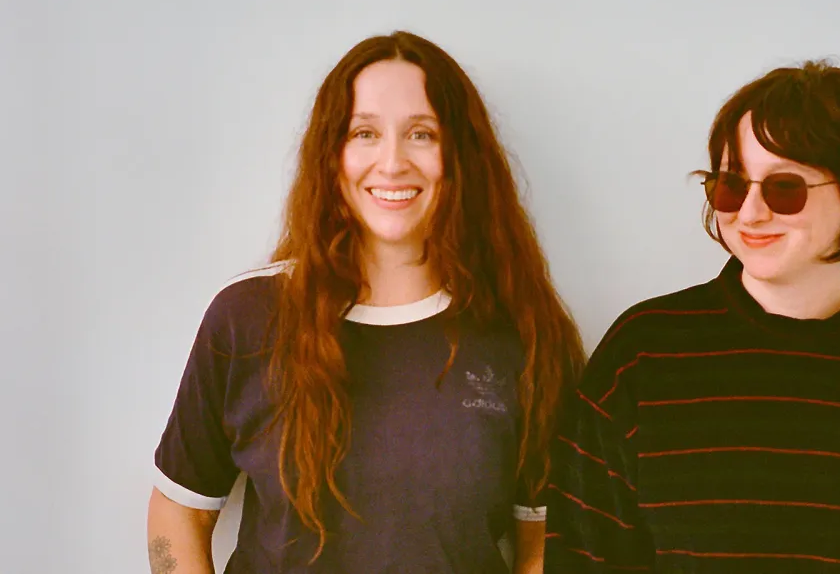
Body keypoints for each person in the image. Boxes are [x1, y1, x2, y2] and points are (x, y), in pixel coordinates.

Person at [544, 61, 840, 573]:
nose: (750, 213)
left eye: (784, 188)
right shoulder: (642, 355)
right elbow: (581, 558)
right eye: (731, 185)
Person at [147, 31, 585, 573]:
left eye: (421, 134)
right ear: (332, 156)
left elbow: (541, 540)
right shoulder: (247, 318)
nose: (392, 162)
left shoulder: (525, 330)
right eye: (365, 133)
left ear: (461, 156)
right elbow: (179, 510)